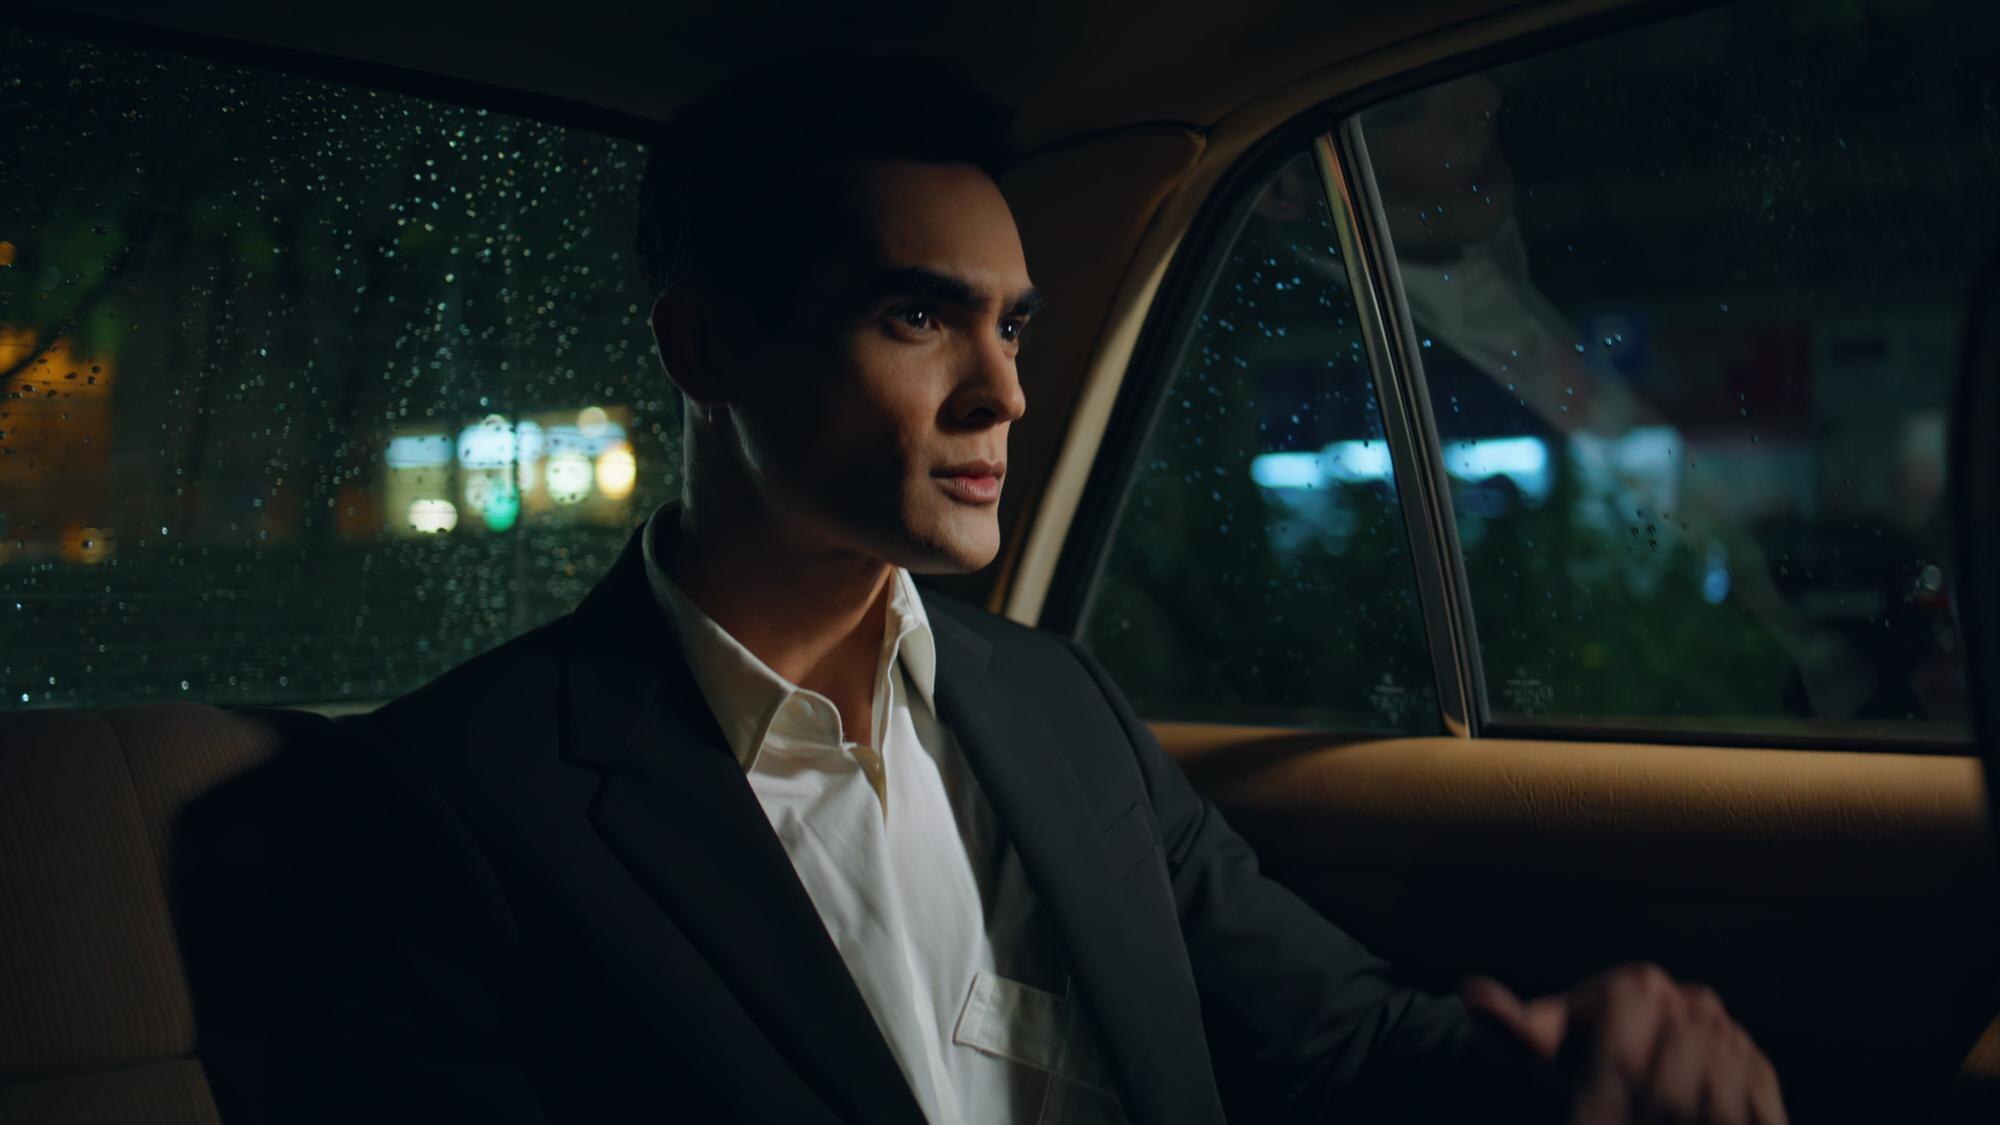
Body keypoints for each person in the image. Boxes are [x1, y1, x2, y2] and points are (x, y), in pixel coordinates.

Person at [232, 54, 1786, 1125]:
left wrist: (1571, 1054)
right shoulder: (448, 809)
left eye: (1017, 326)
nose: (1006, 393)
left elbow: (1338, 1039)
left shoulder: (1053, 703)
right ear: (707, 349)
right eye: (920, 318)